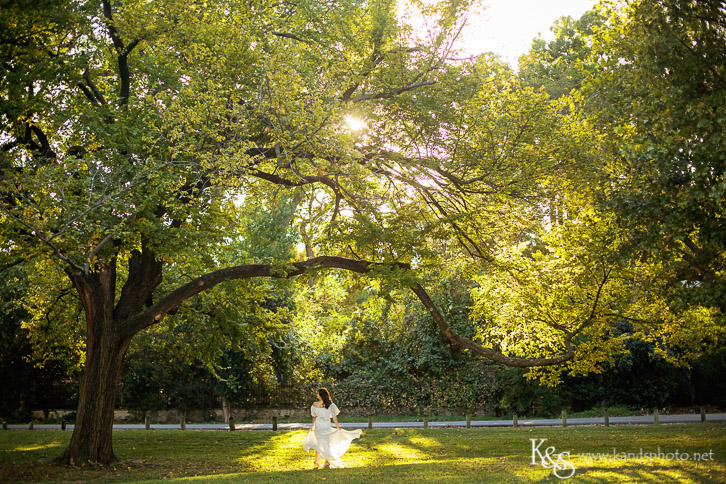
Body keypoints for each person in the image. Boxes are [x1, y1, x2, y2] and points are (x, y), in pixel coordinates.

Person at [302, 388, 362, 469]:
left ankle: (316, 461)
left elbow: (314, 416)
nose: (317, 395)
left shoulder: (315, 404)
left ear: (320, 395)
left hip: (319, 424)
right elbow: (334, 416)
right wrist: (337, 425)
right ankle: (327, 462)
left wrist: (313, 426)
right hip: (326, 424)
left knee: (318, 443)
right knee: (327, 443)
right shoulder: (331, 404)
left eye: (317, 394)